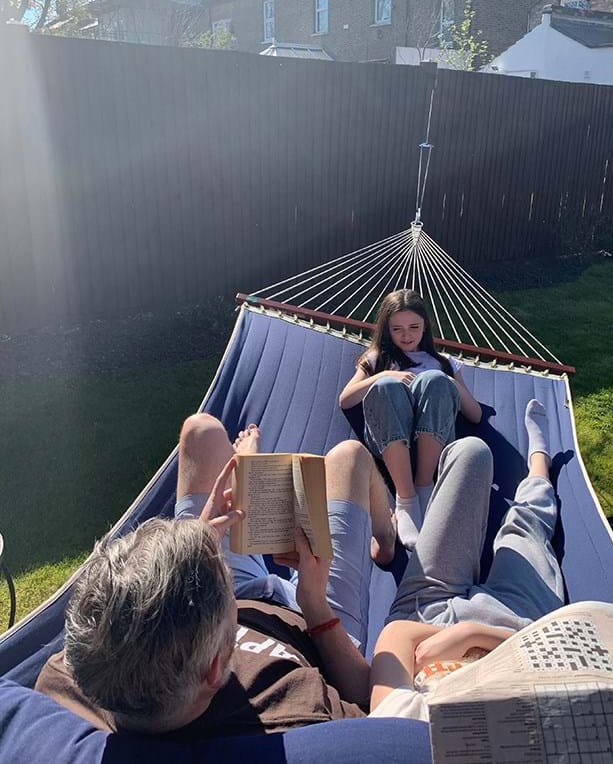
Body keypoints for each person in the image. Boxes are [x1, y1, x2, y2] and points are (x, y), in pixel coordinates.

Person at [36, 416, 397, 737]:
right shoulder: (300, 713)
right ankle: (387, 538)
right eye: (216, 569)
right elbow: (367, 696)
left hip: (201, 605)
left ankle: (245, 475)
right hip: (313, 622)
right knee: (349, 458)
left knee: (201, 431)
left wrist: (200, 544)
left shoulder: (73, 679)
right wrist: (315, 604)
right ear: (215, 670)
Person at [369, 399, 566, 720]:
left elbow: (395, 637)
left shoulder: (397, 727)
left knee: (472, 453)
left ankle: (420, 494)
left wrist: (459, 634)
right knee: (527, 525)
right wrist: (473, 634)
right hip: (519, 627)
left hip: (426, 614)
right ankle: (539, 464)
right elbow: (554, 662)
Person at [339, 289, 482, 549]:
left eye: (414, 327)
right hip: (389, 440)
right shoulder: (377, 360)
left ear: (425, 326)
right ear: (387, 330)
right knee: (386, 388)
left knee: (434, 380)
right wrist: (384, 376)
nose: (407, 335)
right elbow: (346, 399)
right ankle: (405, 499)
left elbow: (475, 413)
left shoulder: (444, 363)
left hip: (435, 439)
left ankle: (424, 485)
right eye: (398, 329)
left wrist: (448, 382)